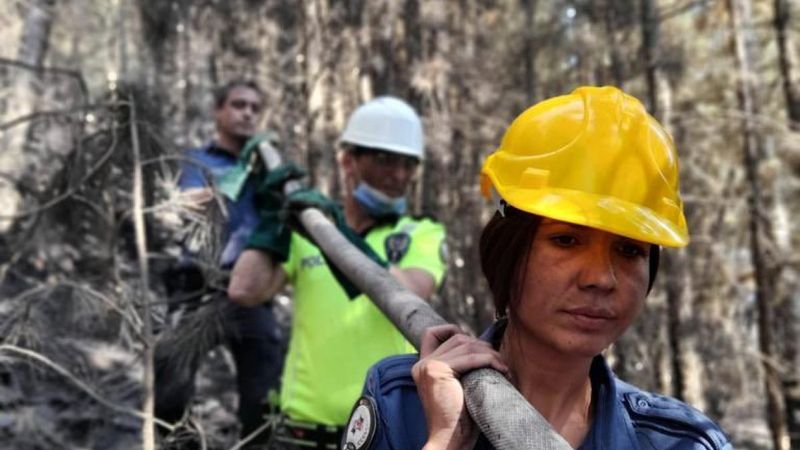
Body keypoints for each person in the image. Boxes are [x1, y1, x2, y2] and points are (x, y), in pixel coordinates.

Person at [343, 86, 733, 450]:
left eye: (630, 250)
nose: (600, 278)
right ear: (506, 249)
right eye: (566, 240)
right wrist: (445, 440)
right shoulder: (402, 403)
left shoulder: (681, 442)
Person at [228, 96, 448, 449]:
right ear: (348, 161)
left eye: (409, 164)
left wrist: (340, 235)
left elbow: (410, 292)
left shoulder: (420, 232)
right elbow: (244, 289)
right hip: (300, 435)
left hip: (382, 433)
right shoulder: (308, 232)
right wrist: (273, 219)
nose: (399, 175)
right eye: (385, 160)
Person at [155, 80, 285, 444]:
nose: (247, 113)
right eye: (238, 105)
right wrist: (234, 178)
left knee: (264, 399)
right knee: (169, 392)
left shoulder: (268, 168)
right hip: (195, 284)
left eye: (255, 108)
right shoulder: (197, 160)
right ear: (219, 111)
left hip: (250, 292)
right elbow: (188, 203)